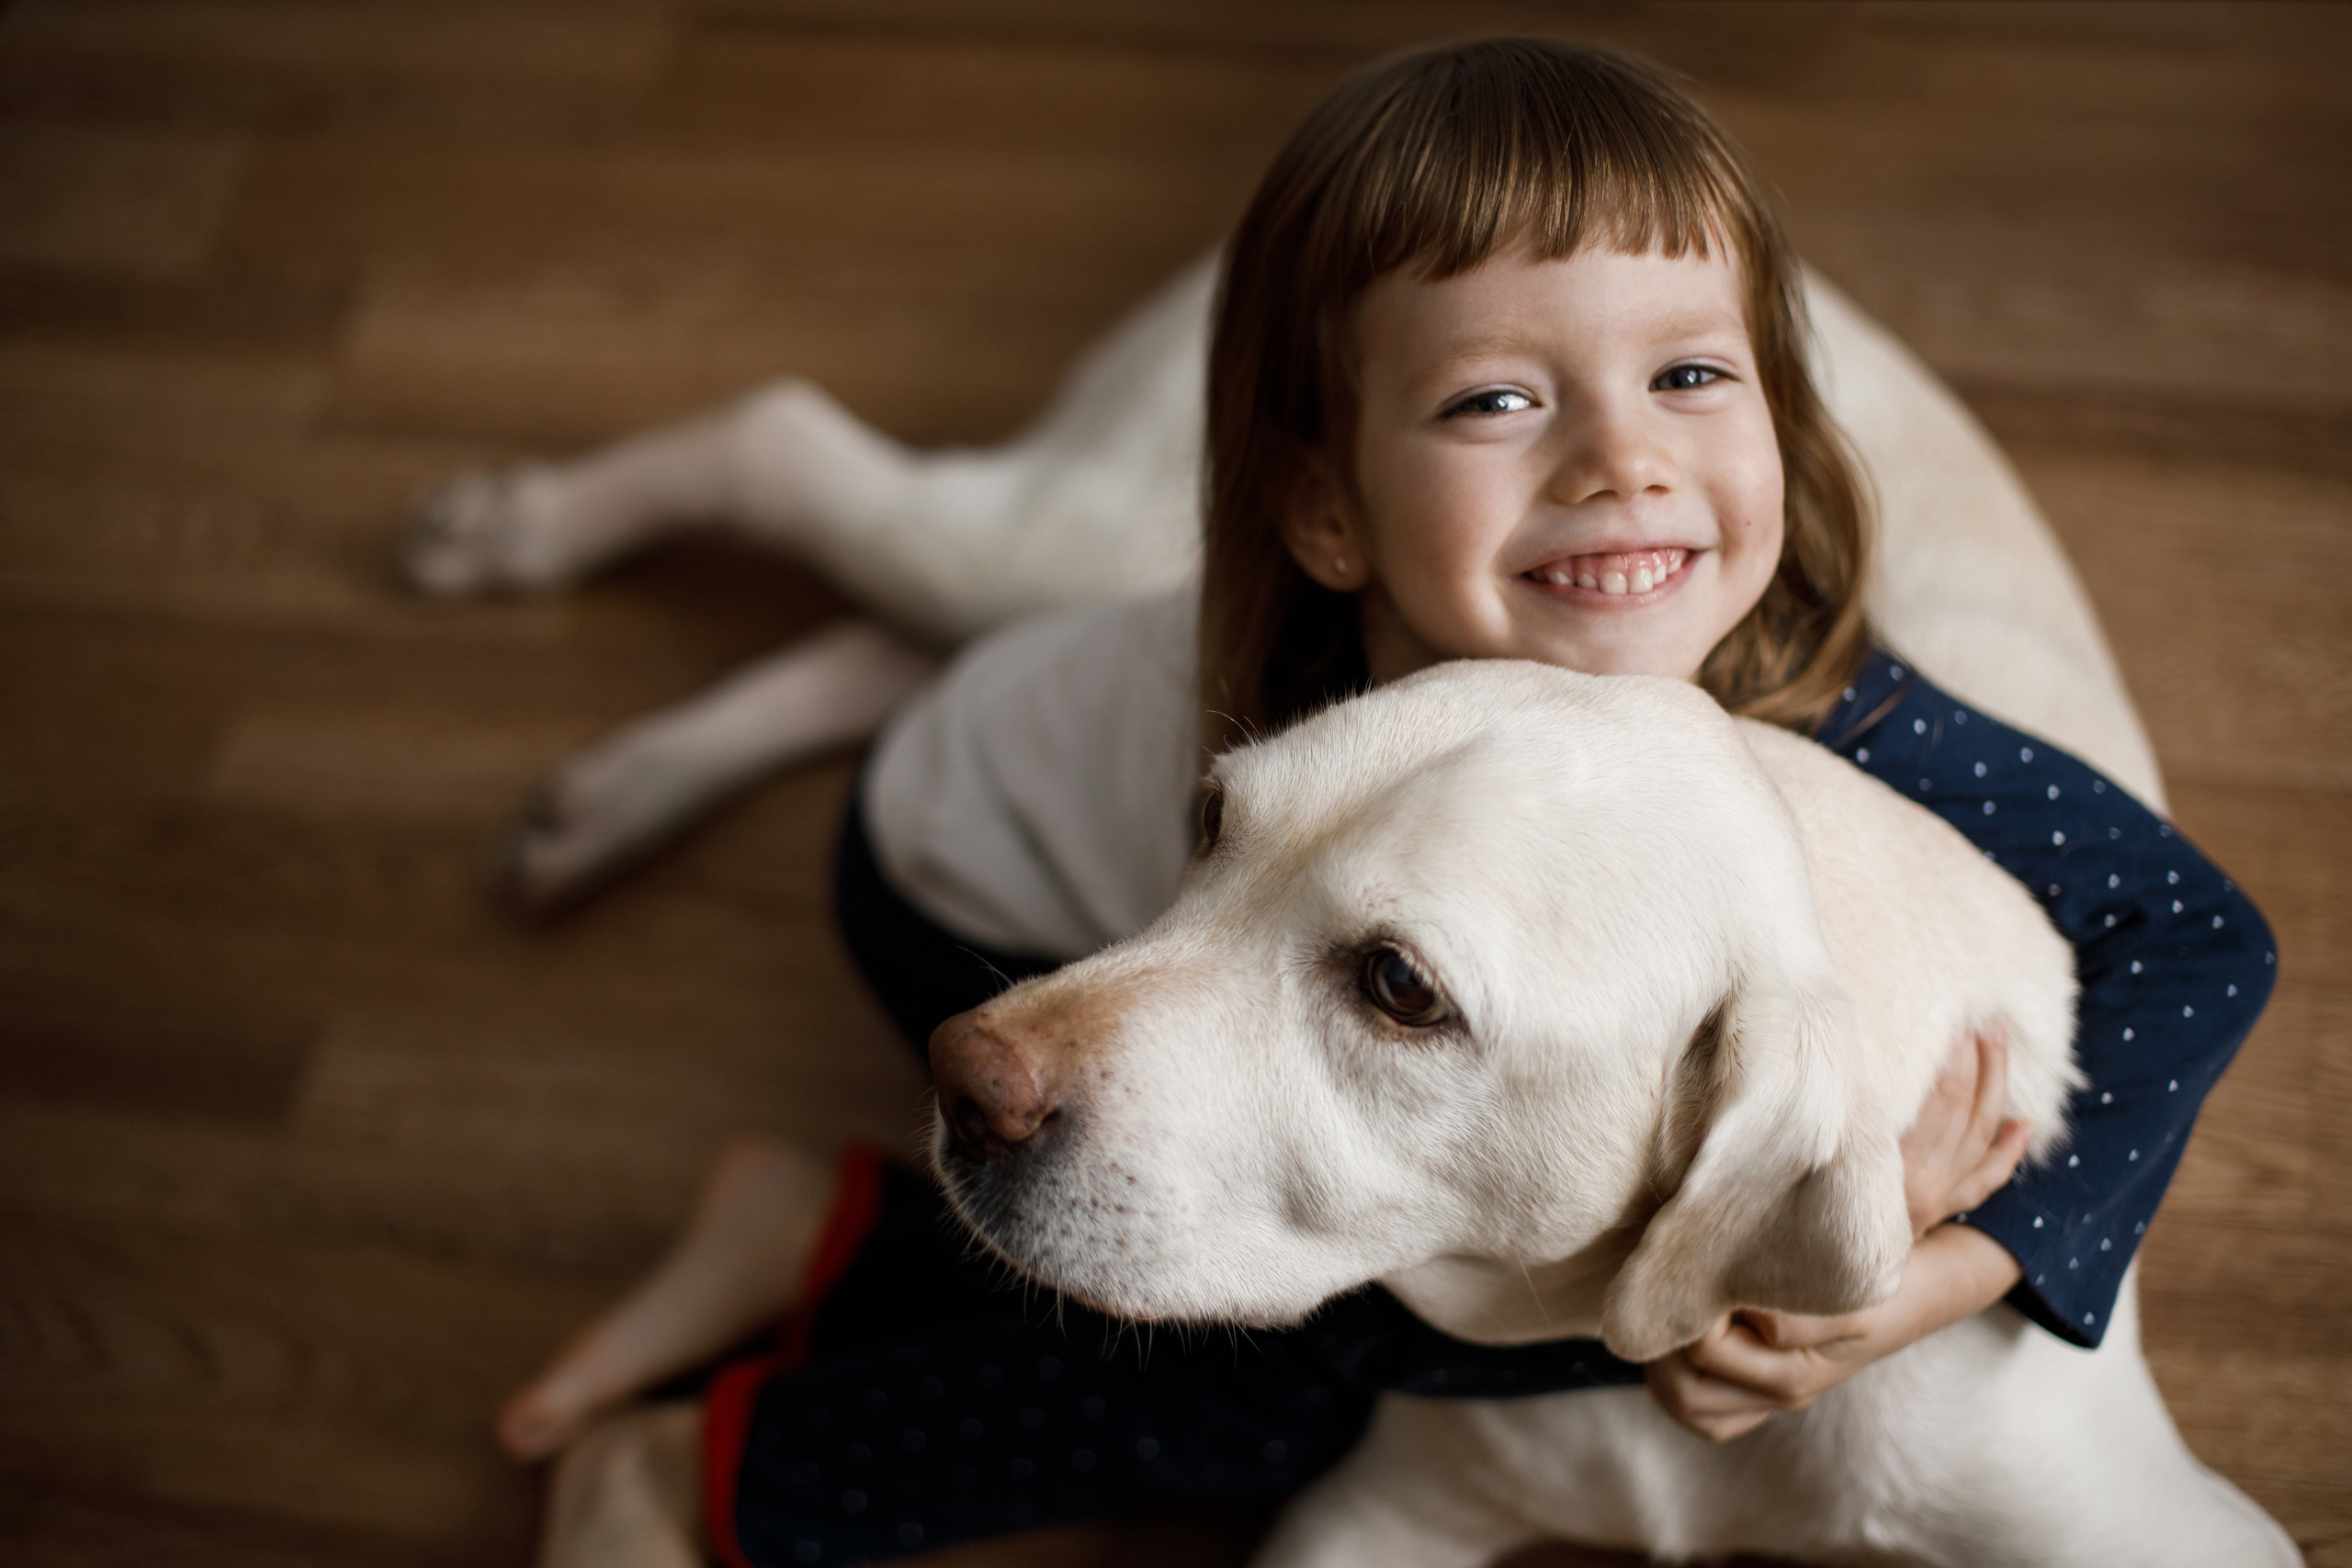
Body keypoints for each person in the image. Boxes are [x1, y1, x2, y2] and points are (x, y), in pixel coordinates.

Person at [504, 39, 2277, 1568]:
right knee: (1265, 1385)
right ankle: (718, 1481)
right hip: (953, 875)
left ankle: (822, 1231)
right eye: (1500, 398)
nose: (1621, 464)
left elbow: (2189, 932)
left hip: (1082, 818)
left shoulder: (1833, 696)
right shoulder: (1355, 742)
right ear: (1331, 516)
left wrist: (1967, 1266)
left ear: (1778, 431)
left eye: (1688, 378)